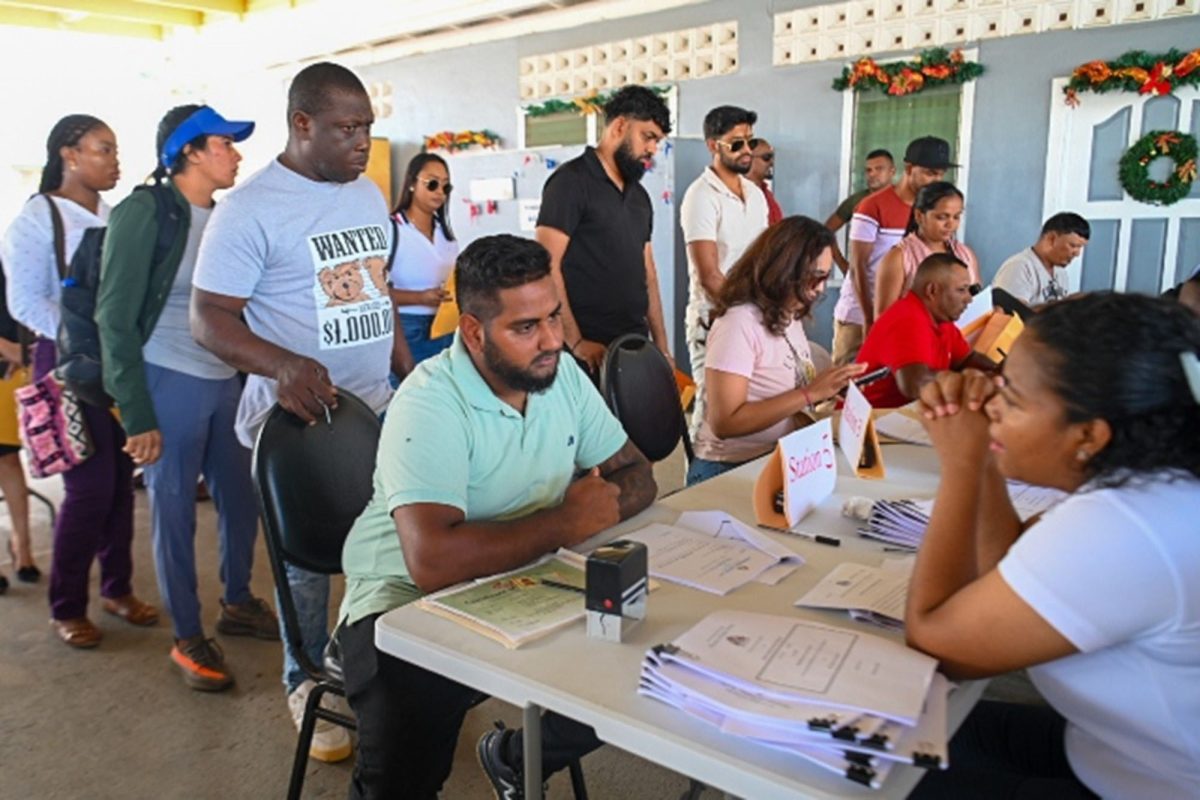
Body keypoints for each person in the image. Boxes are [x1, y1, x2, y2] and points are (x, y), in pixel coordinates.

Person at [337, 233, 657, 799]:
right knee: (406, 715)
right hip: (401, 596)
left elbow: (637, 473)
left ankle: (516, 756)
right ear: (474, 332)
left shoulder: (561, 378)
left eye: (554, 317)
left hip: (530, 574)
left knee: (642, 645)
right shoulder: (430, 400)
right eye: (526, 327)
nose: (552, 341)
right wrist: (566, 523)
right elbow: (432, 561)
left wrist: (584, 517)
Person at [192, 62, 410, 761]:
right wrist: (281, 364)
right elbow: (208, 319)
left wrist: (413, 375)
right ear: (302, 124)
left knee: (390, 545)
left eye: (368, 129)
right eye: (346, 129)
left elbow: (375, 297)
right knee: (307, 566)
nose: (360, 142)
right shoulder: (250, 208)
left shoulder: (368, 192)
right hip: (297, 425)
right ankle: (306, 677)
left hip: (374, 408)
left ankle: (378, 670)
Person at [906, 292, 1200, 799]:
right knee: (927, 732)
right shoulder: (1161, 484)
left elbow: (938, 643)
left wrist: (961, 463)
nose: (991, 406)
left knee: (865, 782)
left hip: (1152, 785)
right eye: (998, 383)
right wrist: (984, 459)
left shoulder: (1126, 527)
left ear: (1089, 434)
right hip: (1115, 752)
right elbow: (1011, 564)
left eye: (1012, 399)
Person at [95, 104, 277, 692]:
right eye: (225, 143)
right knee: (172, 511)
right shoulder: (146, 212)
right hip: (165, 377)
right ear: (190, 151)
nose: (237, 154)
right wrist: (137, 413)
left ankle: (237, 600)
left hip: (223, 380)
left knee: (242, 497)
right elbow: (114, 317)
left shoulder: (226, 218)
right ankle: (187, 636)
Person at [0, 114, 158, 648]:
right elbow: (24, 300)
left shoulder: (113, 215)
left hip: (116, 364)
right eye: (103, 150)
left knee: (118, 484)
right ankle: (66, 605)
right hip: (68, 367)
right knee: (88, 488)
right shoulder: (37, 218)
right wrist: (82, 336)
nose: (115, 161)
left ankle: (117, 589)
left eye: (115, 151)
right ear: (70, 154)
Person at [688, 217, 867, 485]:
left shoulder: (786, 313)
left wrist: (830, 385)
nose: (819, 290)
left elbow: (783, 385)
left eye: (824, 277)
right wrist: (810, 393)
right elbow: (725, 423)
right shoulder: (738, 323)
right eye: (814, 277)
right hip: (729, 469)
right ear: (785, 271)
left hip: (776, 456)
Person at [536, 85, 672, 374]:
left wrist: (662, 347)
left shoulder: (639, 196)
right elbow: (546, 266)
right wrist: (575, 342)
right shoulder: (570, 183)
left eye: (657, 141)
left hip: (634, 344)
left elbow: (648, 273)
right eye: (648, 137)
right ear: (620, 126)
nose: (652, 149)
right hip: (585, 353)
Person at [679, 105, 769, 437]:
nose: (747, 151)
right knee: (711, 406)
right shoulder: (701, 196)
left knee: (748, 399)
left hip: (753, 314)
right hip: (714, 317)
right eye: (736, 144)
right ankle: (697, 481)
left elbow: (762, 259)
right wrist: (743, 313)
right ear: (713, 145)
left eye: (750, 142)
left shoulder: (756, 195)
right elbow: (709, 275)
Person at [832, 137, 954, 364]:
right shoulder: (872, 206)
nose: (936, 180)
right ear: (909, 169)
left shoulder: (929, 213)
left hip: (904, 320)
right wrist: (869, 319)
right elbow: (859, 266)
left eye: (940, 174)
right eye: (929, 173)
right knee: (848, 389)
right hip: (860, 317)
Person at [855, 253, 996, 408]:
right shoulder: (907, 319)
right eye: (961, 290)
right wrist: (976, 383)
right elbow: (915, 384)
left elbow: (967, 359)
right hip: (872, 421)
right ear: (932, 291)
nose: (969, 299)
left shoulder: (941, 320)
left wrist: (1001, 372)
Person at [387, 152, 458, 369]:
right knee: (410, 396)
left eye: (445, 187)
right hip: (408, 328)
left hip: (445, 327)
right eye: (432, 184)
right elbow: (373, 292)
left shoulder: (445, 233)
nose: (439, 192)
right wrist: (420, 297)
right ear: (411, 184)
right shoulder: (392, 229)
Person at [874, 181, 980, 318]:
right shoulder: (900, 257)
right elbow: (884, 318)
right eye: (942, 217)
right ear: (919, 216)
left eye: (956, 217)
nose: (950, 224)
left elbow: (975, 300)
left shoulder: (966, 254)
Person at [0, 267, 37, 593]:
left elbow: (18, 302)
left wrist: (21, 348)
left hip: (7, 368)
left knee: (8, 459)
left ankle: (22, 545)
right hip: (6, 353)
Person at [992, 212, 1089, 306]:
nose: (1077, 253)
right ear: (1051, 239)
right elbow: (1013, 315)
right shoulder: (1019, 267)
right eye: (1073, 245)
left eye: (1080, 247)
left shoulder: (1061, 273)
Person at [824, 149, 894, 275]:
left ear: (892, 172)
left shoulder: (904, 200)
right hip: (863, 277)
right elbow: (825, 231)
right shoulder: (857, 201)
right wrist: (842, 265)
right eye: (869, 170)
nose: (872, 174)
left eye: (879, 169)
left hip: (896, 276)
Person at [748, 138, 783, 225]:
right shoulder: (738, 194)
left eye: (772, 157)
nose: (772, 163)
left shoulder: (767, 194)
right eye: (766, 158)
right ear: (748, 159)